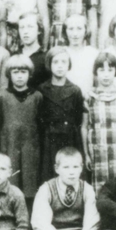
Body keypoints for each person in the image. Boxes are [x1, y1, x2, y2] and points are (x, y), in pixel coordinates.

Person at [32, 148, 116, 230]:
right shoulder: (46, 189)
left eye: (75, 167)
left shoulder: (86, 188)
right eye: (66, 167)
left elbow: (92, 220)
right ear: (57, 169)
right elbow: (41, 223)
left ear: (81, 168)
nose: (71, 172)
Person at [0, 55, 43, 199]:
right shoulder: (3, 96)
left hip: (30, 143)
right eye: (15, 72)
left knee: (30, 177)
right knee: (11, 176)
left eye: (23, 72)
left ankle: (29, 212)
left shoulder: (37, 96)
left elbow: (40, 123)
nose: (19, 76)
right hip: (9, 142)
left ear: (30, 74)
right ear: (9, 75)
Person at [38, 47, 84, 181]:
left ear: (68, 65)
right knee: (50, 172)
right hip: (49, 139)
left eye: (63, 62)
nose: (59, 66)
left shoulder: (75, 90)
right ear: (49, 64)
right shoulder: (42, 89)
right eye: (55, 62)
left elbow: (77, 118)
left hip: (69, 137)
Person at [83, 52, 116, 189]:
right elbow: (84, 127)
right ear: (96, 72)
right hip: (97, 150)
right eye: (102, 70)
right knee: (100, 189)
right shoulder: (89, 97)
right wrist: (86, 154)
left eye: (110, 70)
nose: (106, 74)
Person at [0, 12, 48, 91]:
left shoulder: (45, 57)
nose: (25, 31)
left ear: (39, 30)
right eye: (22, 27)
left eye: (30, 27)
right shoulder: (13, 56)